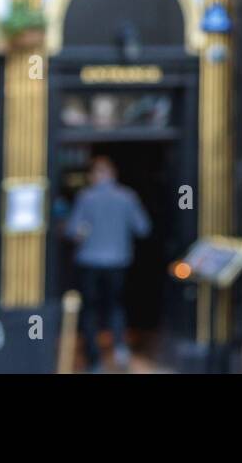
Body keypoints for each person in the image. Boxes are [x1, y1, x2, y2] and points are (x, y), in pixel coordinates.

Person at [66, 156, 151, 371]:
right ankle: (120, 349)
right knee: (115, 305)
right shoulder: (127, 196)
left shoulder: (86, 197)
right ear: (114, 175)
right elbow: (143, 228)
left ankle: (94, 360)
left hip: (90, 261)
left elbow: (72, 231)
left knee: (90, 310)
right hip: (117, 261)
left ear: (94, 175)